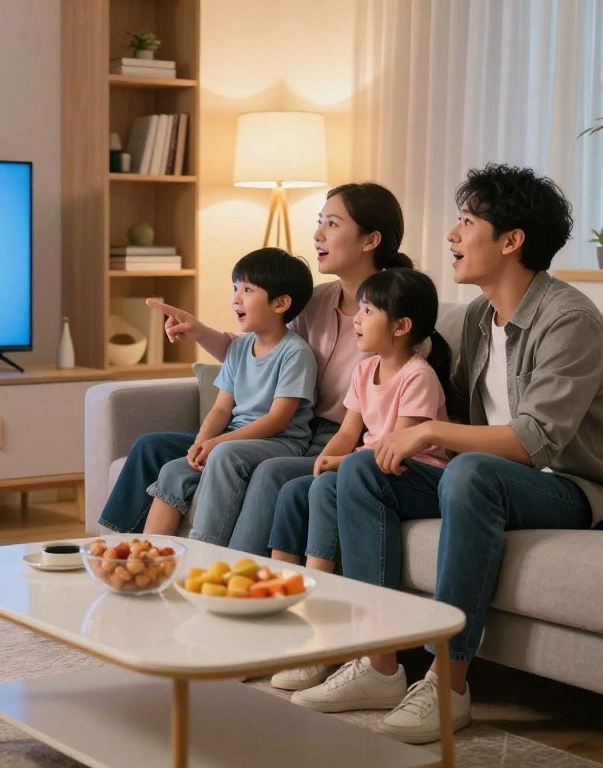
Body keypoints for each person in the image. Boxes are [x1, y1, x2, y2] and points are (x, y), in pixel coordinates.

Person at [293, 164, 603, 746]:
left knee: (471, 471)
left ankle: (448, 686)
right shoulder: (477, 317)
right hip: (479, 480)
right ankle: (378, 665)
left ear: (511, 240)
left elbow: (533, 441)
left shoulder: (568, 319)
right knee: (359, 472)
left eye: (467, 222)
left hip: (568, 488)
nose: (452, 235)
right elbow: (417, 388)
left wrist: (428, 433)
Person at [98, 183, 413, 543]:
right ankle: (115, 549)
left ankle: (211, 556)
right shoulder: (315, 301)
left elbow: (402, 389)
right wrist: (198, 331)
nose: (318, 234)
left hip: (322, 435)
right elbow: (259, 351)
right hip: (277, 427)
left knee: (232, 458)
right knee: (152, 447)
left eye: (332, 224)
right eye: (319, 222)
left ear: (370, 240)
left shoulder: (395, 316)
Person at [268, 268, 450, 693]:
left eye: (368, 311)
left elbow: (396, 446)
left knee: (330, 483)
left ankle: (322, 640)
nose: (357, 319)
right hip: (367, 465)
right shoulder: (365, 370)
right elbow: (349, 432)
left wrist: (344, 463)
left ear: (401, 327)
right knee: (295, 491)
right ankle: (286, 623)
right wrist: (327, 458)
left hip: (413, 472)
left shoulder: (418, 376)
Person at [138, 247, 316, 538]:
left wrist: (218, 442)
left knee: (223, 454)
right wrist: (201, 443)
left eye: (248, 290)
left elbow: (278, 420)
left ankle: (205, 550)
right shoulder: (239, 348)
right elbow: (222, 408)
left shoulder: (295, 353)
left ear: (281, 303)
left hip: (282, 442)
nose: (236, 299)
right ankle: (152, 556)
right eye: (235, 288)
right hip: (237, 439)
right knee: (173, 470)